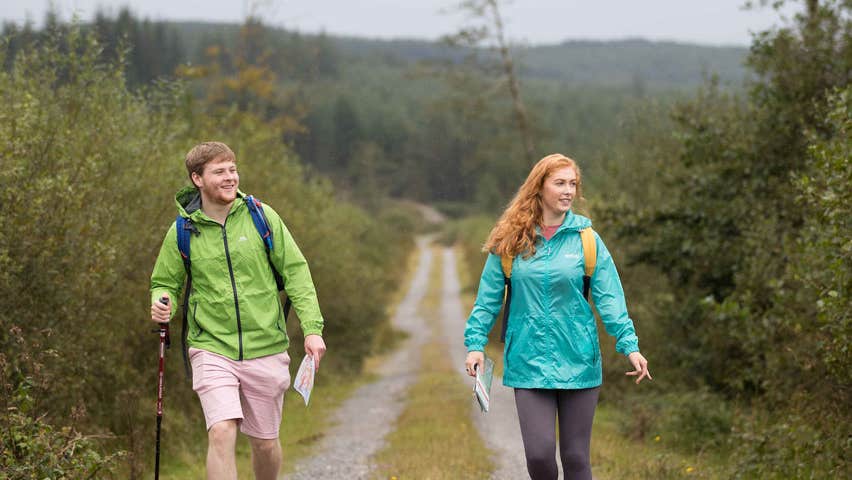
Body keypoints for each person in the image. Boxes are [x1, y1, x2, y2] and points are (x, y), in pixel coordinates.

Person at [464, 153, 650, 480]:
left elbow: (610, 300)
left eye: (573, 184)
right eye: (560, 183)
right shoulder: (511, 242)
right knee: (538, 456)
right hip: (528, 362)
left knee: (576, 458)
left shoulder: (587, 241)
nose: (568, 191)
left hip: (579, 360)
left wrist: (630, 346)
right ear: (539, 187)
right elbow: (487, 301)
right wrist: (475, 344)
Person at [150, 141, 327, 480]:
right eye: (220, 171)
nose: (230, 177)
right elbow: (164, 283)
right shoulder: (183, 231)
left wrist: (312, 329)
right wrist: (161, 304)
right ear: (197, 179)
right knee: (220, 431)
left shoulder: (261, 216)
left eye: (232, 169)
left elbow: (296, 273)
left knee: (264, 443)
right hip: (211, 346)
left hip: (266, 345)